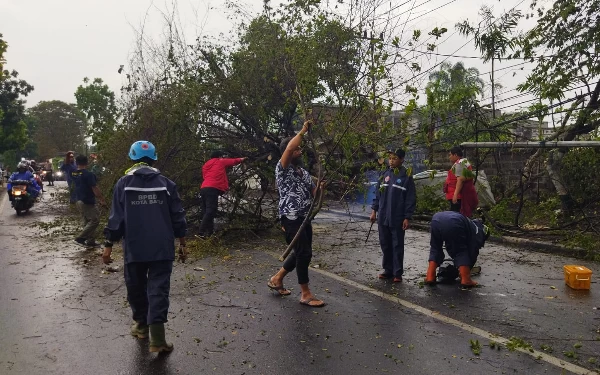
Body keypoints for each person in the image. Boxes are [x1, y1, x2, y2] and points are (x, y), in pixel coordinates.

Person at [102, 140, 187, 353]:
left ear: (132, 158)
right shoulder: (166, 184)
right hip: (161, 247)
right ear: (154, 159)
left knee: (135, 286)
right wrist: (183, 242)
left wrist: (108, 244)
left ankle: (141, 326)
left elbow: (116, 218)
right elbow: (178, 216)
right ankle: (157, 339)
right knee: (158, 289)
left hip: (135, 246)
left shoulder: (123, 184)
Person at [268, 120, 326, 307]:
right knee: (303, 252)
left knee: (302, 252)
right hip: (291, 216)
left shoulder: (303, 172)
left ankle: (277, 278)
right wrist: (302, 131)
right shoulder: (282, 169)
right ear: (289, 152)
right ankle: (305, 294)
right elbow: (289, 147)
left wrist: (320, 188)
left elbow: (314, 194)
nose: (299, 150)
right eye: (296, 149)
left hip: (304, 217)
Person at [370, 148, 416, 282]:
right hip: (383, 215)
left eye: (394, 158)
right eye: (390, 158)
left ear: (401, 159)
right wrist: (374, 211)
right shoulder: (384, 174)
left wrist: (407, 217)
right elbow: (377, 194)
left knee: (397, 244)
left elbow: (410, 198)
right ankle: (388, 270)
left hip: (397, 216)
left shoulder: (406, 176)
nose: (391, 161)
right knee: (385, 243)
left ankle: (397, 273)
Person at [424, 211, 489, 288]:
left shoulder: (472, 224)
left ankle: (430, 276)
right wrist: (466, 267)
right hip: (454, 222)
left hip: (436, 219)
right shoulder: (478, 232)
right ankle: (466, 279)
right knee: (460, 251)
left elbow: (450, 245)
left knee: (435, 247)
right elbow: (472, 252)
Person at [198, 151, 247, 237]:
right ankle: (201, 232)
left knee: (207, 211)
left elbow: (205, 176)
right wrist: (242, 159)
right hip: (212, 188)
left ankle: (209, 233)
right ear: (219, 156)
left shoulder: (206, 165)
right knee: (210, 210)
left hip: (203, 188)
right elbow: (233, 161)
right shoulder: (220, 161)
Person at [72, 155, 106, 247]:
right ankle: (80, 238)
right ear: (87, 163)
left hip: (78, 200)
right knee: (95, 220)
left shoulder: (74, 173)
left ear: (76, 163)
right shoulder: (89, 174)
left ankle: (91, 241)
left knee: (87, 220)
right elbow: (94, 188)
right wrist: (101, 199)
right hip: (87, 200)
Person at [444, 146, 478, 218]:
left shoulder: (460, 163)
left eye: (450, 155)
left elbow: (460, 180)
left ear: (455, 155)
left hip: (457, 195)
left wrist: (455, 195)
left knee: (456, 216)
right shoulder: (459, 163)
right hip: (453, 194)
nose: (449, 157)